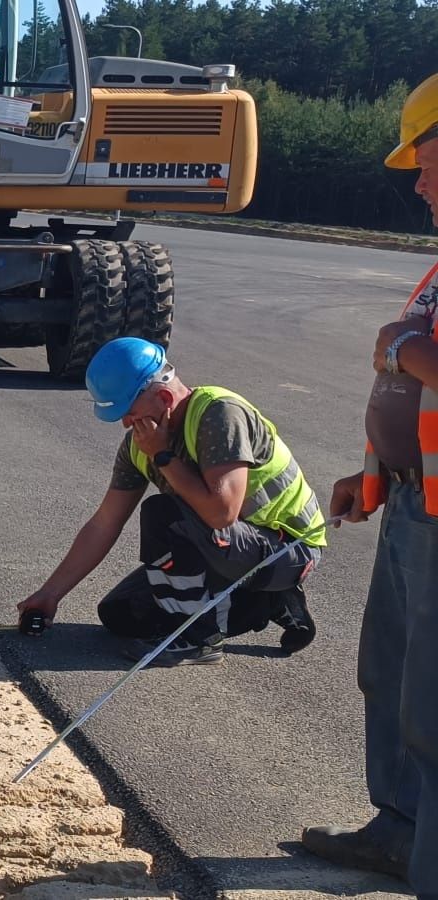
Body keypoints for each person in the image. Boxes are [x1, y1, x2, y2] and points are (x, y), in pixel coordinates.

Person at [304, 71, 438, 897]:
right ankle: (398, 829)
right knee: (387, 674)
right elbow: (411, 398)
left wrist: (398, 349)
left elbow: (413, 363)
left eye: (427, 160)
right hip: (412, 503)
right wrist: (373, 472)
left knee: (430, 704)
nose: (418, 182)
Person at [17, 337, 327, 666]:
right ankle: (269, 601)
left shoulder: (220, 415)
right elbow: (104, 522)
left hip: (288, 549)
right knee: (121, 615)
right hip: (233, 549)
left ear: (164, 398)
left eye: (129, 412)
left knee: (162, 514)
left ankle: (198, 638)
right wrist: (50, 594)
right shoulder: (138, 445)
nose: (125, 423)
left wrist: (164, 456)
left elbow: (222, 514)